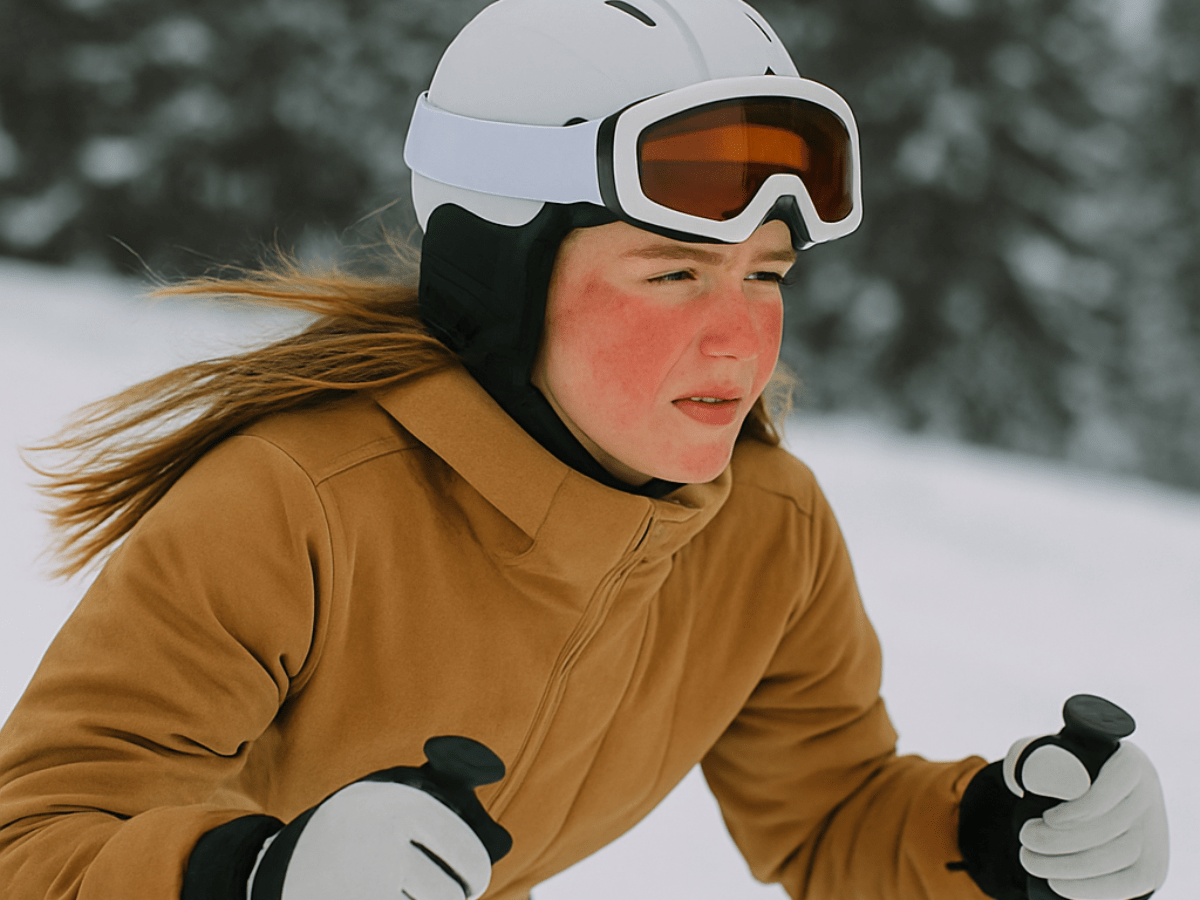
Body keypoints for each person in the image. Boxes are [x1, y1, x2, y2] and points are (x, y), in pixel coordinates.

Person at [0, 1, 1169, 899]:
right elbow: (34, 840)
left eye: (766, 277)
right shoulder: (297, 505)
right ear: (498, 279)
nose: (740, 339)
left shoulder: (764, 530)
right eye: (672, 273)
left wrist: (1000, 840)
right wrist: (258, 875)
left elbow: (831, 811)